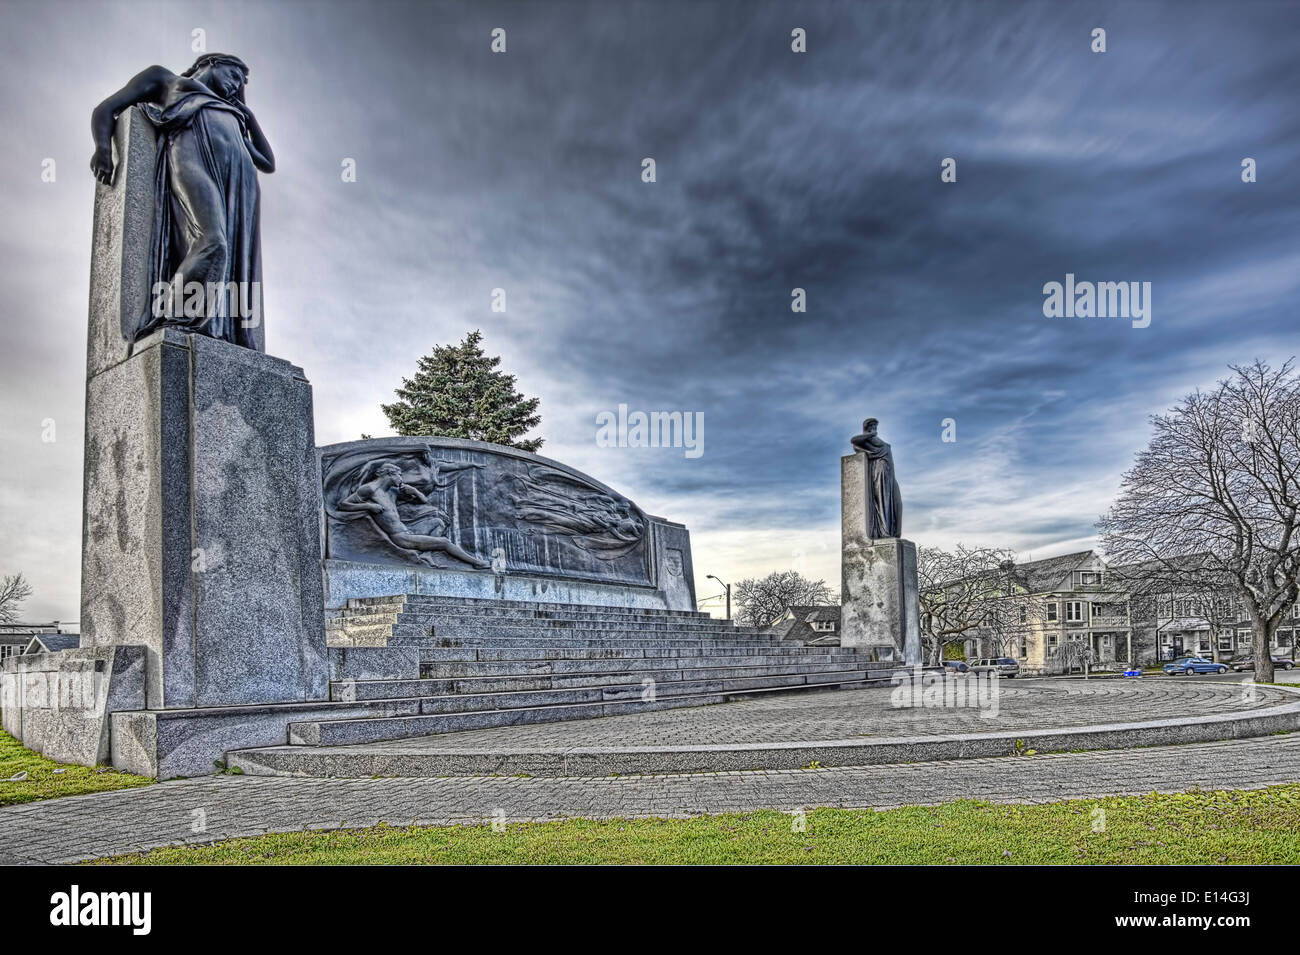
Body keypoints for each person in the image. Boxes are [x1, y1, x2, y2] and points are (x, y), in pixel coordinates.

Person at [90, 54, 274, 350]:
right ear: (212, 62)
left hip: (238, 186)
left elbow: (267, 162)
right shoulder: (166, 80)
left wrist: (248, 116)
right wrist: (102, 148)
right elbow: (106, 108)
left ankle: (212, 325)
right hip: (192, 159)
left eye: (242, 83)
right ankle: (171, 318)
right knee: (213, 242)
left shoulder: (234, 113)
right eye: (234, 75)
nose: (237, 85)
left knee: (231, 263)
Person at [338, 462, 492, 569]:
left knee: (438, 522)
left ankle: (427, 555)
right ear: (390, 475)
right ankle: (477, 562)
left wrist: (415, 492)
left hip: (408, 529)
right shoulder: (369, 490)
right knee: (444, 542)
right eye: (399, 475)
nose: (401, 479)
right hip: (400, 537)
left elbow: (423, 501)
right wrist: (368, 505)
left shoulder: (392, 492)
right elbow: (343, 505)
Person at [851, 418, 902, 538]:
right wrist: (870, 435)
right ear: (867, 427)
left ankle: (892, 530)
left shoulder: (876, 439)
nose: (875, 427)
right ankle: (884, 531)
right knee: (883, 500)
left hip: (890, 473)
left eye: (876, 425)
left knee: (896, 503)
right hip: (880, 468)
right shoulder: (868, 438)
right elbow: (853, 441)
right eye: (872, 425)